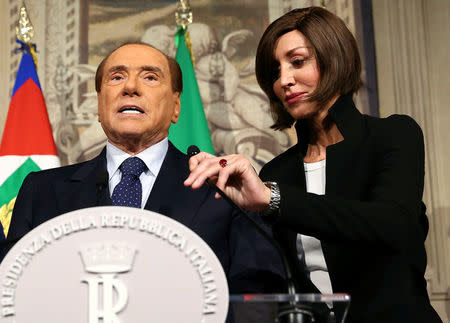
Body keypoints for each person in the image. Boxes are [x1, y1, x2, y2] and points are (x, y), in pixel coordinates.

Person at [185, 7, 442, 323]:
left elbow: (392, 224)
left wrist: (274, 200)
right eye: (275, 70)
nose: (284, 80)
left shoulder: (393, 134)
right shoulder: (277, 173)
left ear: (333, 57)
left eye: (297, 62)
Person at [0, 43, 284, 315]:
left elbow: (258, 295)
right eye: (117, 77)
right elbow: (14, 292)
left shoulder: (224, 187)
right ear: (100, 105)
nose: (130, 87)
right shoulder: (42, 191)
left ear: (176, 106)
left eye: (150, 77)